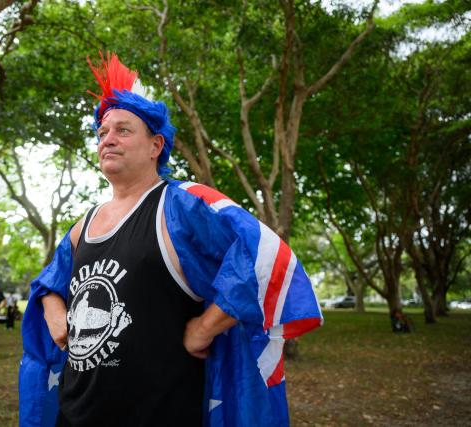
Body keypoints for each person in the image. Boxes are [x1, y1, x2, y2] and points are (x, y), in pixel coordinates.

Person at [19, 53, 323, 427]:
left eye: (123, 131)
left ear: (155, 145)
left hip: (161, 412)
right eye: (102, 133)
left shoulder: (183, 204)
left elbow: (265, 256)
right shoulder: (85, 223)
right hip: (74, 412)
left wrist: (204, 328)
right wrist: (52, 308)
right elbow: (49, 279)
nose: (107, 140)